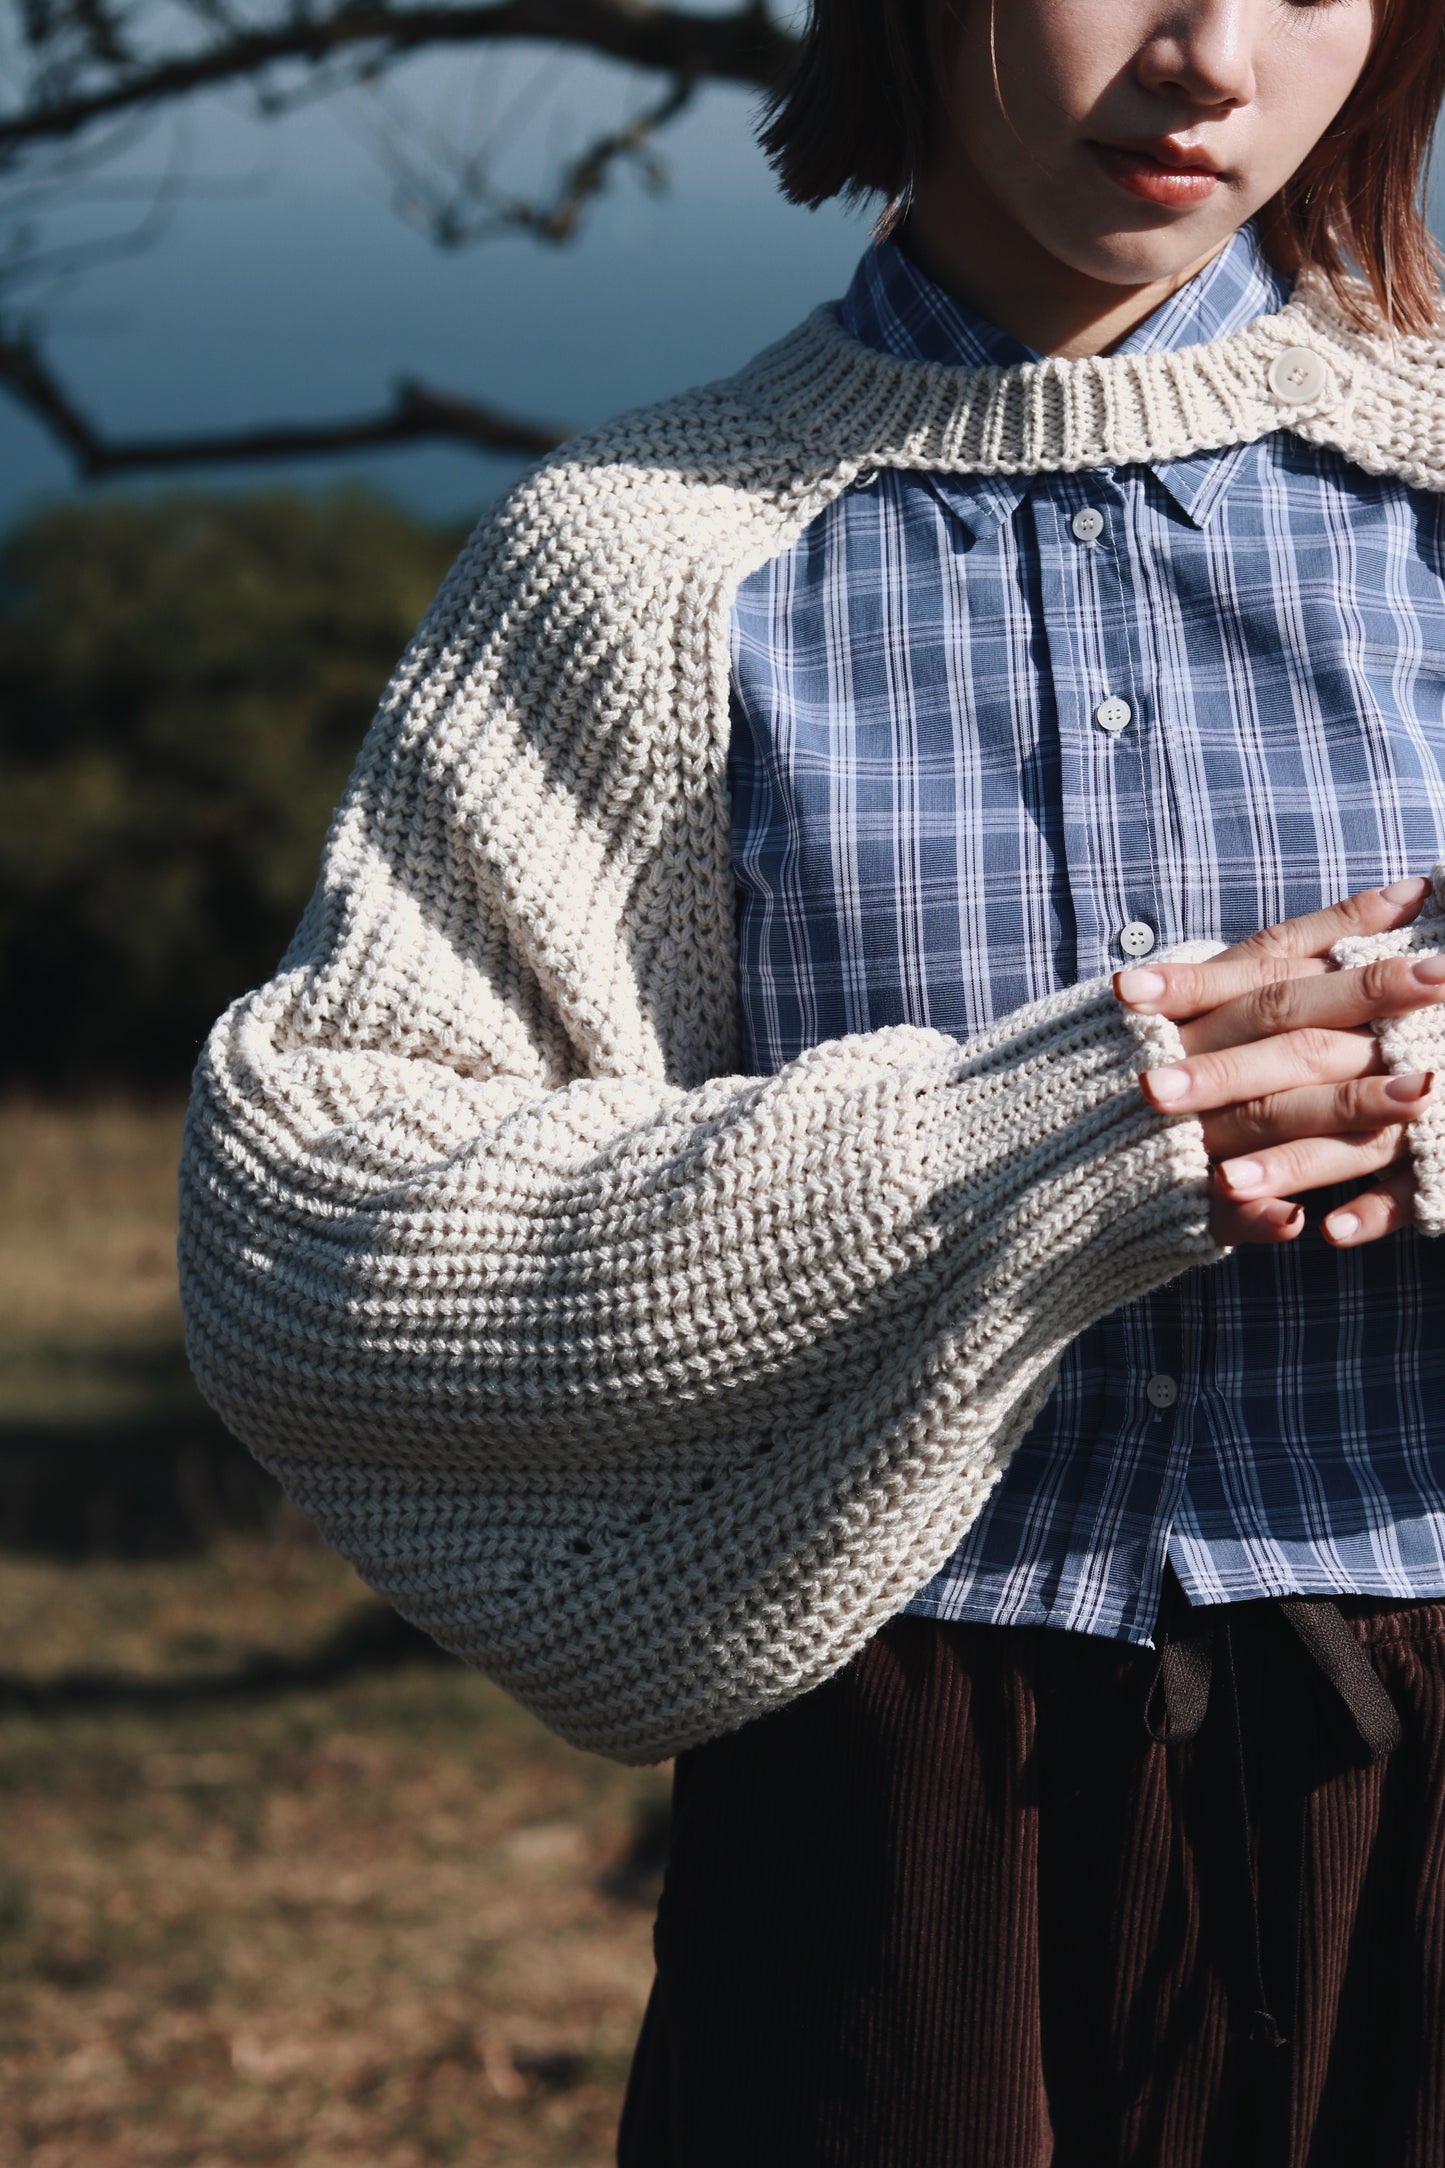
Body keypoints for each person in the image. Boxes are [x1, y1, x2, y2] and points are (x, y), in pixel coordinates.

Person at [178, 0, 1445, 2158]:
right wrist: (1041, 1142)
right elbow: (305, 1223)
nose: (1212, 56)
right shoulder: (648, 554)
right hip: (887, 1797)